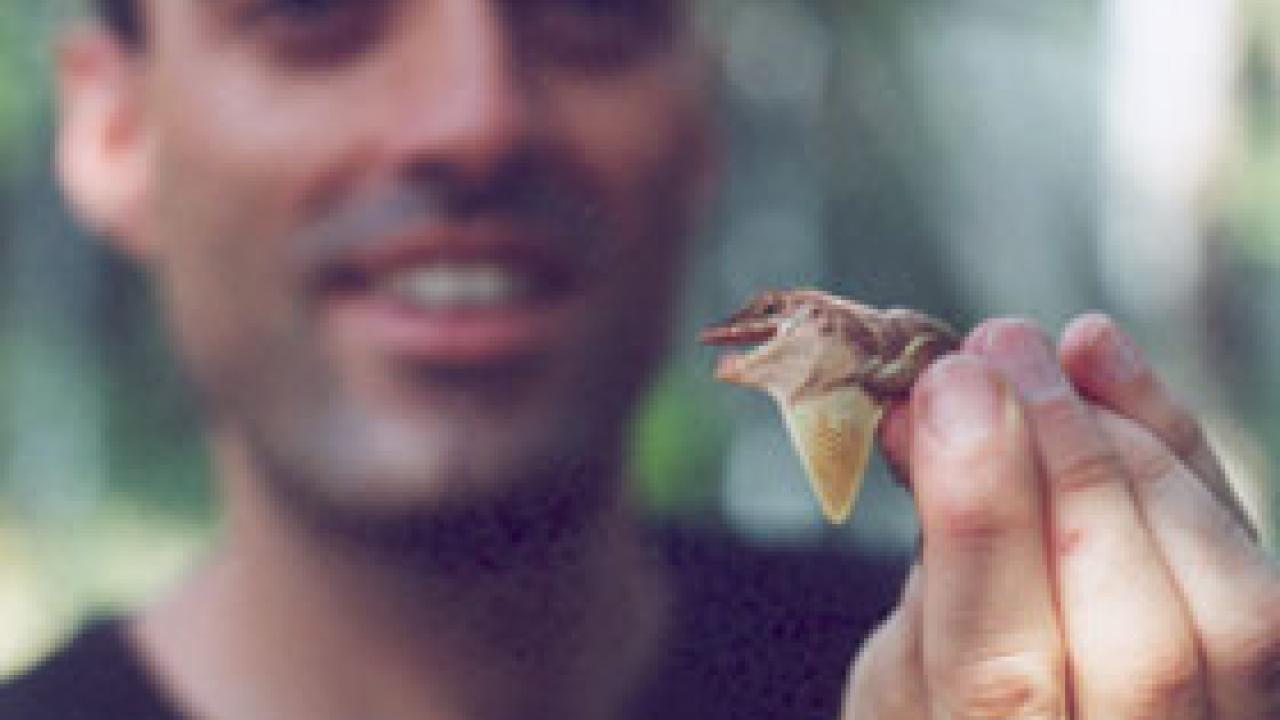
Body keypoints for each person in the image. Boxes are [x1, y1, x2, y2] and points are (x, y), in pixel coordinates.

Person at [2, 0, 1278, 718]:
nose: (474, 118)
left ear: (700, 113)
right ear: (112, 131)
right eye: (315, 14)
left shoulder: (988, 661)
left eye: (593, 8)